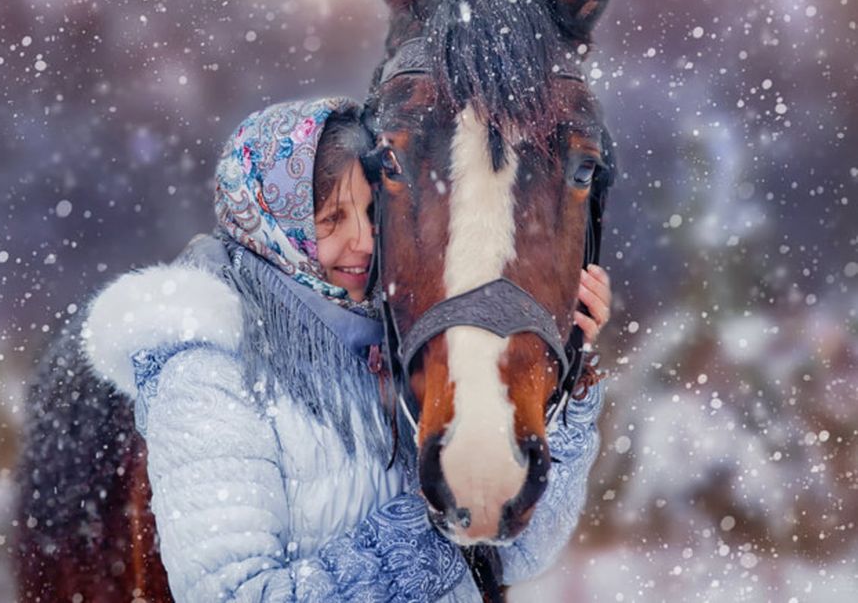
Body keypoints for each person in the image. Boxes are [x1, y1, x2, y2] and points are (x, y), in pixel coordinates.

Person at [80, 97, 610, 601]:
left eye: (371, 212)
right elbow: (233, 594)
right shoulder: (208, 374)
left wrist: (567, 380)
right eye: (331, 220)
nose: (362, 241)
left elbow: (517, 555)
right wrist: (439, 526)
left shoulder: (400, 345)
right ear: (271, 223)